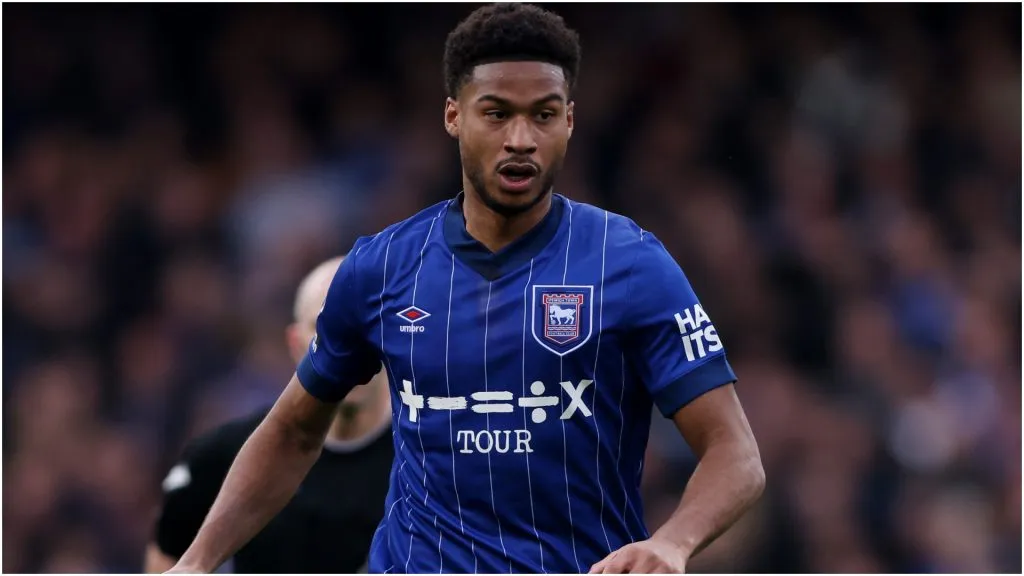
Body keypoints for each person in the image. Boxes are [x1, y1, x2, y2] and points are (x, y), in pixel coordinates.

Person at [168, 4, 765, 574]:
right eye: (498, 113)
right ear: (454, 115)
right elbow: (294, 430)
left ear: (570, 121)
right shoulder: (382, 267)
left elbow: (735, 454)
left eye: (544, 114)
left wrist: (672, 543)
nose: (521, 139)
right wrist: (197, 560)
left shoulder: (630, 263)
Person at [148, 255, 393, 573]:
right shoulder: (224, 454)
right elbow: (168, 552)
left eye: (368, 324)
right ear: (295, 343)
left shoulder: (431, 458)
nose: (351, 347)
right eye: (329, 328)